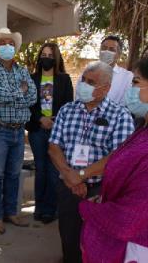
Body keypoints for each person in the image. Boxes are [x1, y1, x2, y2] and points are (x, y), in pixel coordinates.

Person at [48, 61, 134, 263]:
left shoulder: (120, 115)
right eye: (83, 80)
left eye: (91, 82)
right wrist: (71, 177)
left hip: (100, 191)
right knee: (69, 238)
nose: (83, 85)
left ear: (105, 88)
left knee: (97, 243)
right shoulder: (67, 110)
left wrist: (80, 176)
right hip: (68, 187)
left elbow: (117, 157)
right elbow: (53, 147)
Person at [78, 57, 148, 262]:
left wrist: (89, 209)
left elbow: (130, 216)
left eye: (136, 82)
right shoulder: (141, 129)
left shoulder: (121, 117)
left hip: (136, 249)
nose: (130, 88)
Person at [0, 27, 37, 234]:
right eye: (3, 43)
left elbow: (32, 97)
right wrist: (19, 92)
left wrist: (14, 94)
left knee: (13, 174)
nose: (8, 47)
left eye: (11, 43)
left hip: (18, 130)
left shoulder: (22, 71)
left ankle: (11, 212)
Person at [26, 42, 73, 224]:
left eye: (50, 55)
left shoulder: (64, 79)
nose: (46, 58)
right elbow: (29, 104)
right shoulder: (31, 79)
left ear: (56, 58)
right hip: (38, 129)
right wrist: (40, 119)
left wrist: (54, 121)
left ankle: (50, 209)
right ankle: (39, 208)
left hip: (56, 130)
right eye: (43, 55)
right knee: (41, 170)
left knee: (54, 171)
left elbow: (68, 105)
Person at [79, 35, 133, 106]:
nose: (107, 51)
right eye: (104, 48)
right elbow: (78, 97)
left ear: (119, 55)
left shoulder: (127, 77)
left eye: (111, 49)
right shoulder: (87, 73)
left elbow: (125, 103)